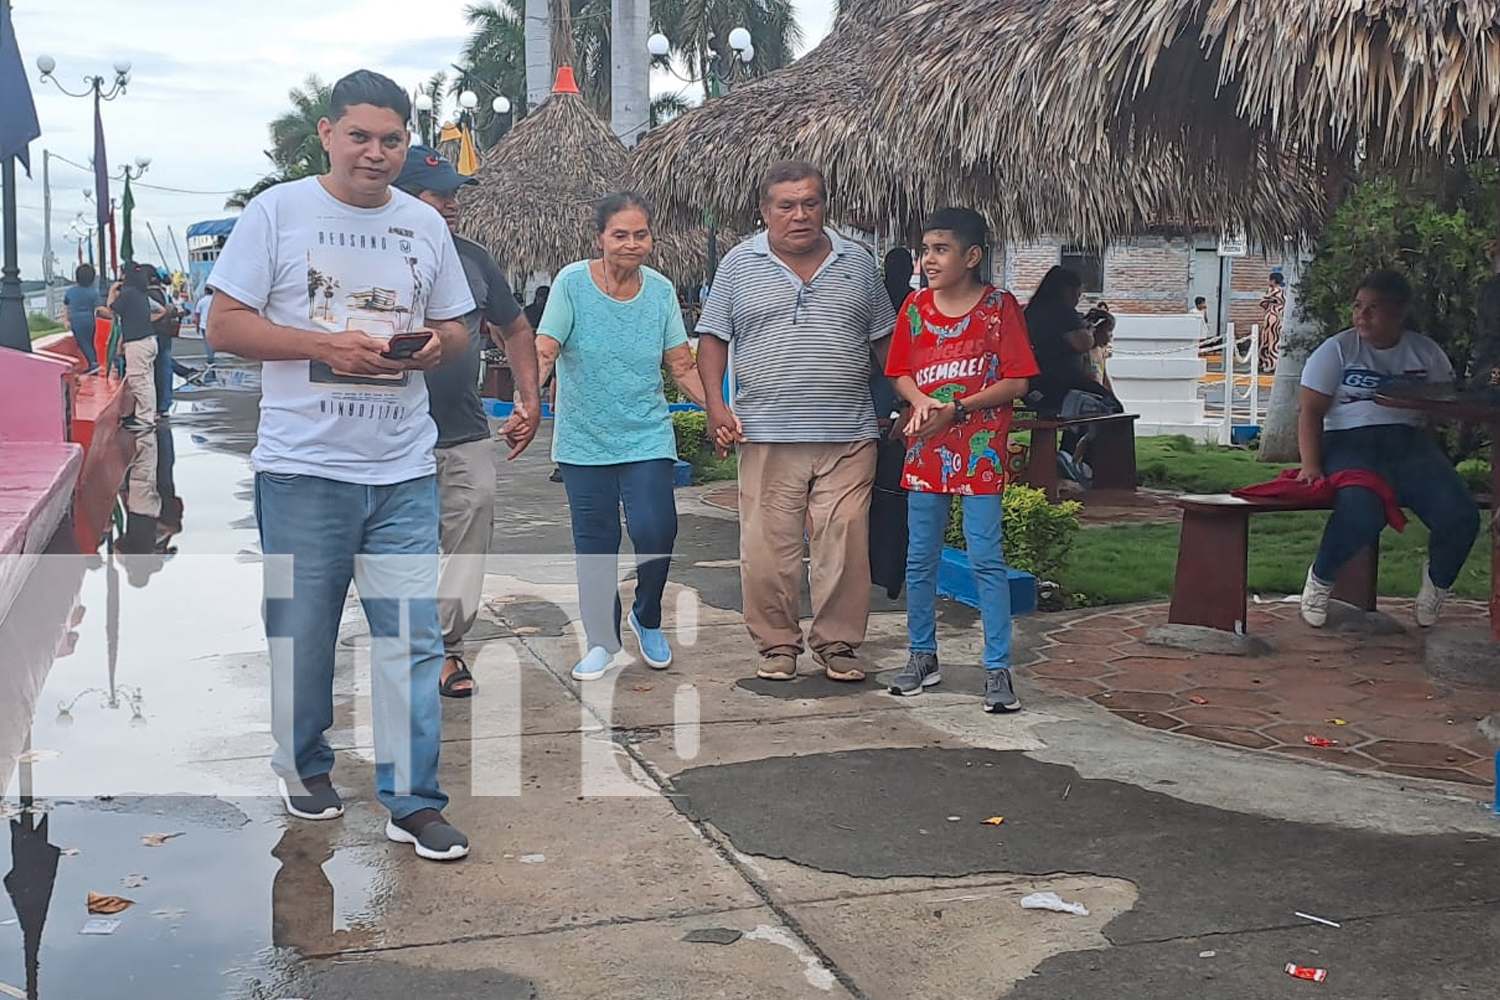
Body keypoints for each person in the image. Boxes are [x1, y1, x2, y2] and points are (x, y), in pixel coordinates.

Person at [207, 69, 475, 861]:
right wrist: (322, 345)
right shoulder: (278, 212)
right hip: (302, 470)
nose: (376, 152)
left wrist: (437, 345)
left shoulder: (424, 227)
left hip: (402, 469)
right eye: (360, 135)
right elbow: (223, 324)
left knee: (410, 638)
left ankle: (413, 800)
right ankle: (304, 762)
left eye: (391, 139)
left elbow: (458, 326)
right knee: (303, 632)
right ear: (327, 135)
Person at [696, 161, 897, 683]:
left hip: (849, 432)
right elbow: (713, 337)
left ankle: (838, 645)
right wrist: (718, 408)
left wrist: (911, 399)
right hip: (766, 431)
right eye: (786, 205)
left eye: (810, 203)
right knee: (767, 547)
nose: (800, 215)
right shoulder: (739, 265)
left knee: (846, 540)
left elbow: (884, 342)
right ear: (765, 212)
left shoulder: (859, 262)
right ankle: (776, 644)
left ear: (825, 206)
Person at [535, 191, 731, 681]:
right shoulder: (573, 283)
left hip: (646, 434)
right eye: (619, 235)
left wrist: (719, 409)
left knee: (656, 530)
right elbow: (545, 350)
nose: (630, 244)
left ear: (651, 238)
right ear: (600, 238)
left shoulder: (661, 291)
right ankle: (601, 640)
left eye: (639, 234)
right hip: (584, 439)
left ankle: (646, 615)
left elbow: (681, 367)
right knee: (596, 543)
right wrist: (526, 403)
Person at [393, 144, 541, 698]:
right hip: (385, 434)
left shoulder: (474, 257)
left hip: (463, 429)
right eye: (441, 194)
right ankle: (407, 643)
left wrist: (530, 400)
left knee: (471, 526)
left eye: (457, 194)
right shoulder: (374, 254)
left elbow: (515, 327)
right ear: (404, 197)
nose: (454, 204)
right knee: (399, 546)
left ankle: (446, 649)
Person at [885, 208, 1039, 712]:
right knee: (919, 557)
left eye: (941, 249)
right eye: (925, 249)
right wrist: (922, 402)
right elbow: (900, 372)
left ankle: (997, 669)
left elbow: (1017, 381)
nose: (929, 259)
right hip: (924, 451)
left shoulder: (1000, 309)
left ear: (971, 256)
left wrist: (957, 409)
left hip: (980, 457)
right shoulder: (914, 308)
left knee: (986, 560)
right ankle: (922, 656)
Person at [1296, 269, 1480, 629]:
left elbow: (1441, 406)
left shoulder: (1426, 353)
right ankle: (1320, 579)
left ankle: (1437, 583)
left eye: (1374, 308)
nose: (1362, 315)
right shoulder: (1336, 350)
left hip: (1407, 442)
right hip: (1349, 441)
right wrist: (1311, 465)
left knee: (1461, 514)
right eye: (1358, 306)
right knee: (1362, 509)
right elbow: (1310, 412)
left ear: (1400, 313)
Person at [111, 263, 166, 430]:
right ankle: (144, 415)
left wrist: (113, 290)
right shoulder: (142, 294)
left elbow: (112, 308)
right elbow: (162, 310)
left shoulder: (127, 295)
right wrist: (145, 321)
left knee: (139, 381)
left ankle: (145, 419)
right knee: (146, 379)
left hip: (137, 343)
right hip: (149, 340)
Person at [63, 264, 101, 370]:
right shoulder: (94, 292)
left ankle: (93, 363)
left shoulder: (71, 291)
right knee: (90, 342)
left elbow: (66, 305)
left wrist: (66, 320)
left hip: (76, 320)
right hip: (90, 319)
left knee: (83, 342)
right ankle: (93, 362)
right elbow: (98, 308)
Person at [1260, 271, 1285, 373]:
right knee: (1273, 341)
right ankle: (1270, 363)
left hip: (1272, 318)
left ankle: (1270, 363)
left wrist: (1269, 302)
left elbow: (1262, 302)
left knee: (1270, 341)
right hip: (1278, 318)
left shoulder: (1274, 291)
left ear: (1273, 281)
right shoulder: (1283, 292)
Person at [192, 287, 217, 369]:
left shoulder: (201, 301)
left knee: (207, 342)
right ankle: (211, 356)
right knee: (212, 342)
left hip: (203, 324)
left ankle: (210, 359)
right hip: (214, 324)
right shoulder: (215, 301)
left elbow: (197, 315)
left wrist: (197, 326)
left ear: (205, 291)